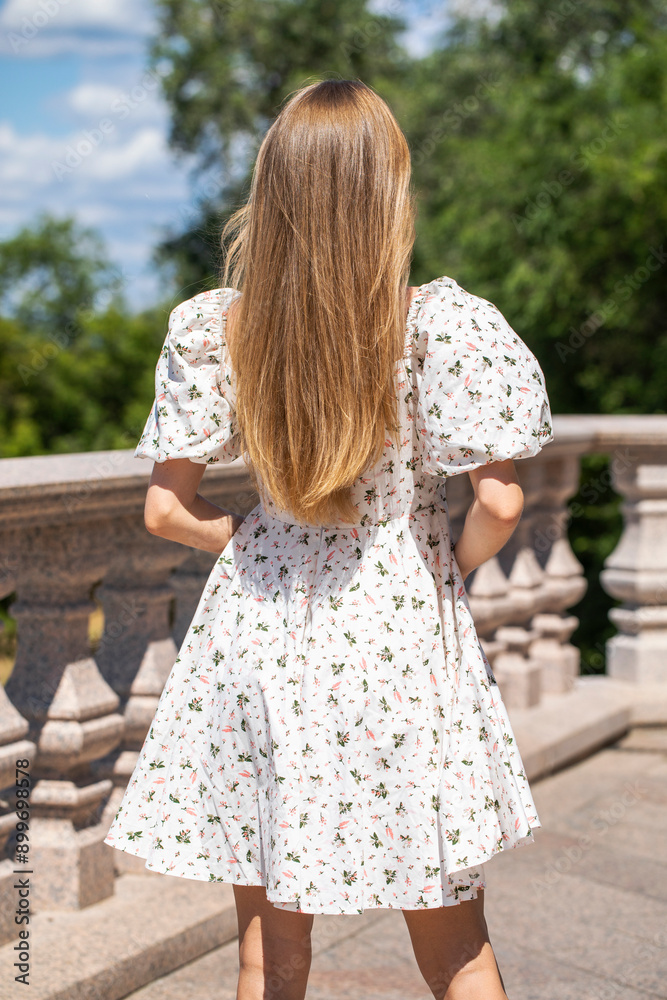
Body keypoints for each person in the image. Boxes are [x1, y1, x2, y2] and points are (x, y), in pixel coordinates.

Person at [104, 78, 554, 1000]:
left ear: (271, 192)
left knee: (268, 955)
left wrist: (257, 538)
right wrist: (444, 568)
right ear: (388, 191)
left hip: (259, 635)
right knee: (455, 951)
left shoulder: (217, 328)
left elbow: (165, 512)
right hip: (396, 639)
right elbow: (500, 504)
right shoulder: (440, 326)